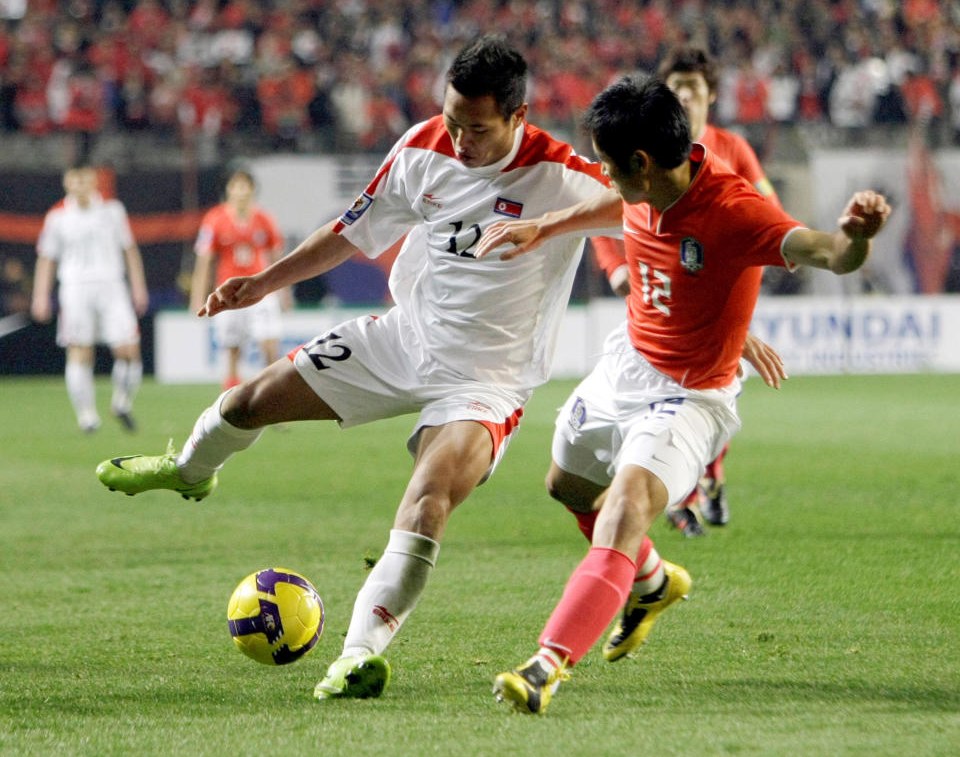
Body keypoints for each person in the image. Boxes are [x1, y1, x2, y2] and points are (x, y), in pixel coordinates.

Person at [94, 35, 681, 703]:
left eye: (478, 128)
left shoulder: (563, 170)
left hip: (484, 383)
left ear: (520, 116)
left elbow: (657, 199)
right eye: (453, 120)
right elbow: (349, 230)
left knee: (427, 502)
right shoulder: (424, 146)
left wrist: (556, 226)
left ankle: (356, 655)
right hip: (401, 340)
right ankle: (191, 470)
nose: (459, 140)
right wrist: (263, 282)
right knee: (245, 403)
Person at [474, 76, 889, 714]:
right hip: (627, 361)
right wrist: (550, 226)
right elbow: (622, 208)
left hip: (691, 395)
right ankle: (652, 581)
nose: (606, 176)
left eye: (610, 166)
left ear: (640, 163)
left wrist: (856, 236)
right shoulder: (649, 183)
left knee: (623, 511)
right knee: (566, 486)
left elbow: (828, 253)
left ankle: (544, 665)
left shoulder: (733, 209)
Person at [592, 47, 784, 536]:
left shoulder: (732, 150)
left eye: (693, 87)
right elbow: (605, 210)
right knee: (683, 394)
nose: (683, 94)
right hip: (659, 297)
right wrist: (616, 267)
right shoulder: (634, 157)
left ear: (711, 96)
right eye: (674, 86)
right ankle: (686, 493)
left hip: (717, 291)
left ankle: (704, 480)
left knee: (709, 389)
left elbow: (766, 214)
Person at [31, 164, 148, 433]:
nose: (80, 185)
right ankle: (87, 417)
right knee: (80, 351)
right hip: (75, 289)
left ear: (95, 181)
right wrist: (40, 296)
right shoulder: (57, 217)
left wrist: (138, 287)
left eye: (85, 180)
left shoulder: (112, 211)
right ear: (66, 182)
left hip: (112, 286)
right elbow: (46, 259)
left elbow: (129, 250)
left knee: (128, 350)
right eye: (75, 180)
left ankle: (122, 403)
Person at [190, 169, 288, 390]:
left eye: (245, 186)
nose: (240, 191)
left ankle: (272, 400)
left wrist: (285, 292)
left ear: (252, 190)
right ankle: (232, 405)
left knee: (270, 348)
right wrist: (198, 297)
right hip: (228, 294)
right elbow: (204, 262)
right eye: (236, 186)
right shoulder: (215, 219)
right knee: (233, 353)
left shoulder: (265, 219)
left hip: (261, 292)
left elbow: (277, 260)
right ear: (228, 190)